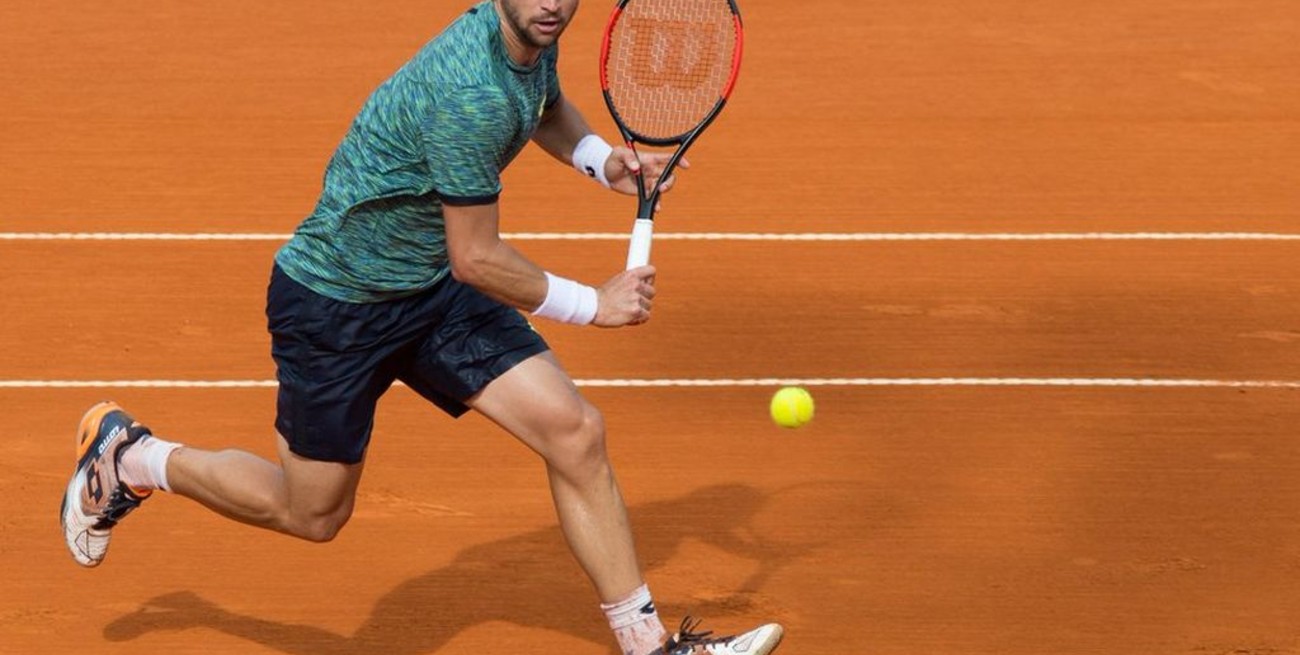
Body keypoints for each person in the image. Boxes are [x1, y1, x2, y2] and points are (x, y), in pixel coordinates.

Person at [59, 1, 784, 654]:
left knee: (574, 430)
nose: (554, 3)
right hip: (337, 303)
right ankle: (132, 458)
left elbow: (546, 104)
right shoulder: (468, 90)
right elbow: (477, 257)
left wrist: (603, 163)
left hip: (427, 283)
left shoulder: (532, 34)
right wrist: (596, 304)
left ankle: (649, 646)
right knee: (310, 512)